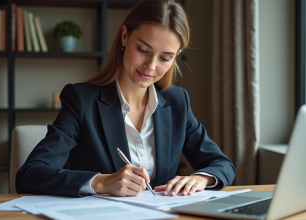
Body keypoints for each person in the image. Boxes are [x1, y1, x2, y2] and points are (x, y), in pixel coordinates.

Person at [16, 0, 235, 198]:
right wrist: (101, 181)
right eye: (143, 50)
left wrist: (201, 178)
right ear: (124, 37)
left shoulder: (177, 102)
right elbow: (30, 174)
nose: (150, 66)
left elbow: (222, 164)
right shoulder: (82, 100)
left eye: (165, 58)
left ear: (175, 57)